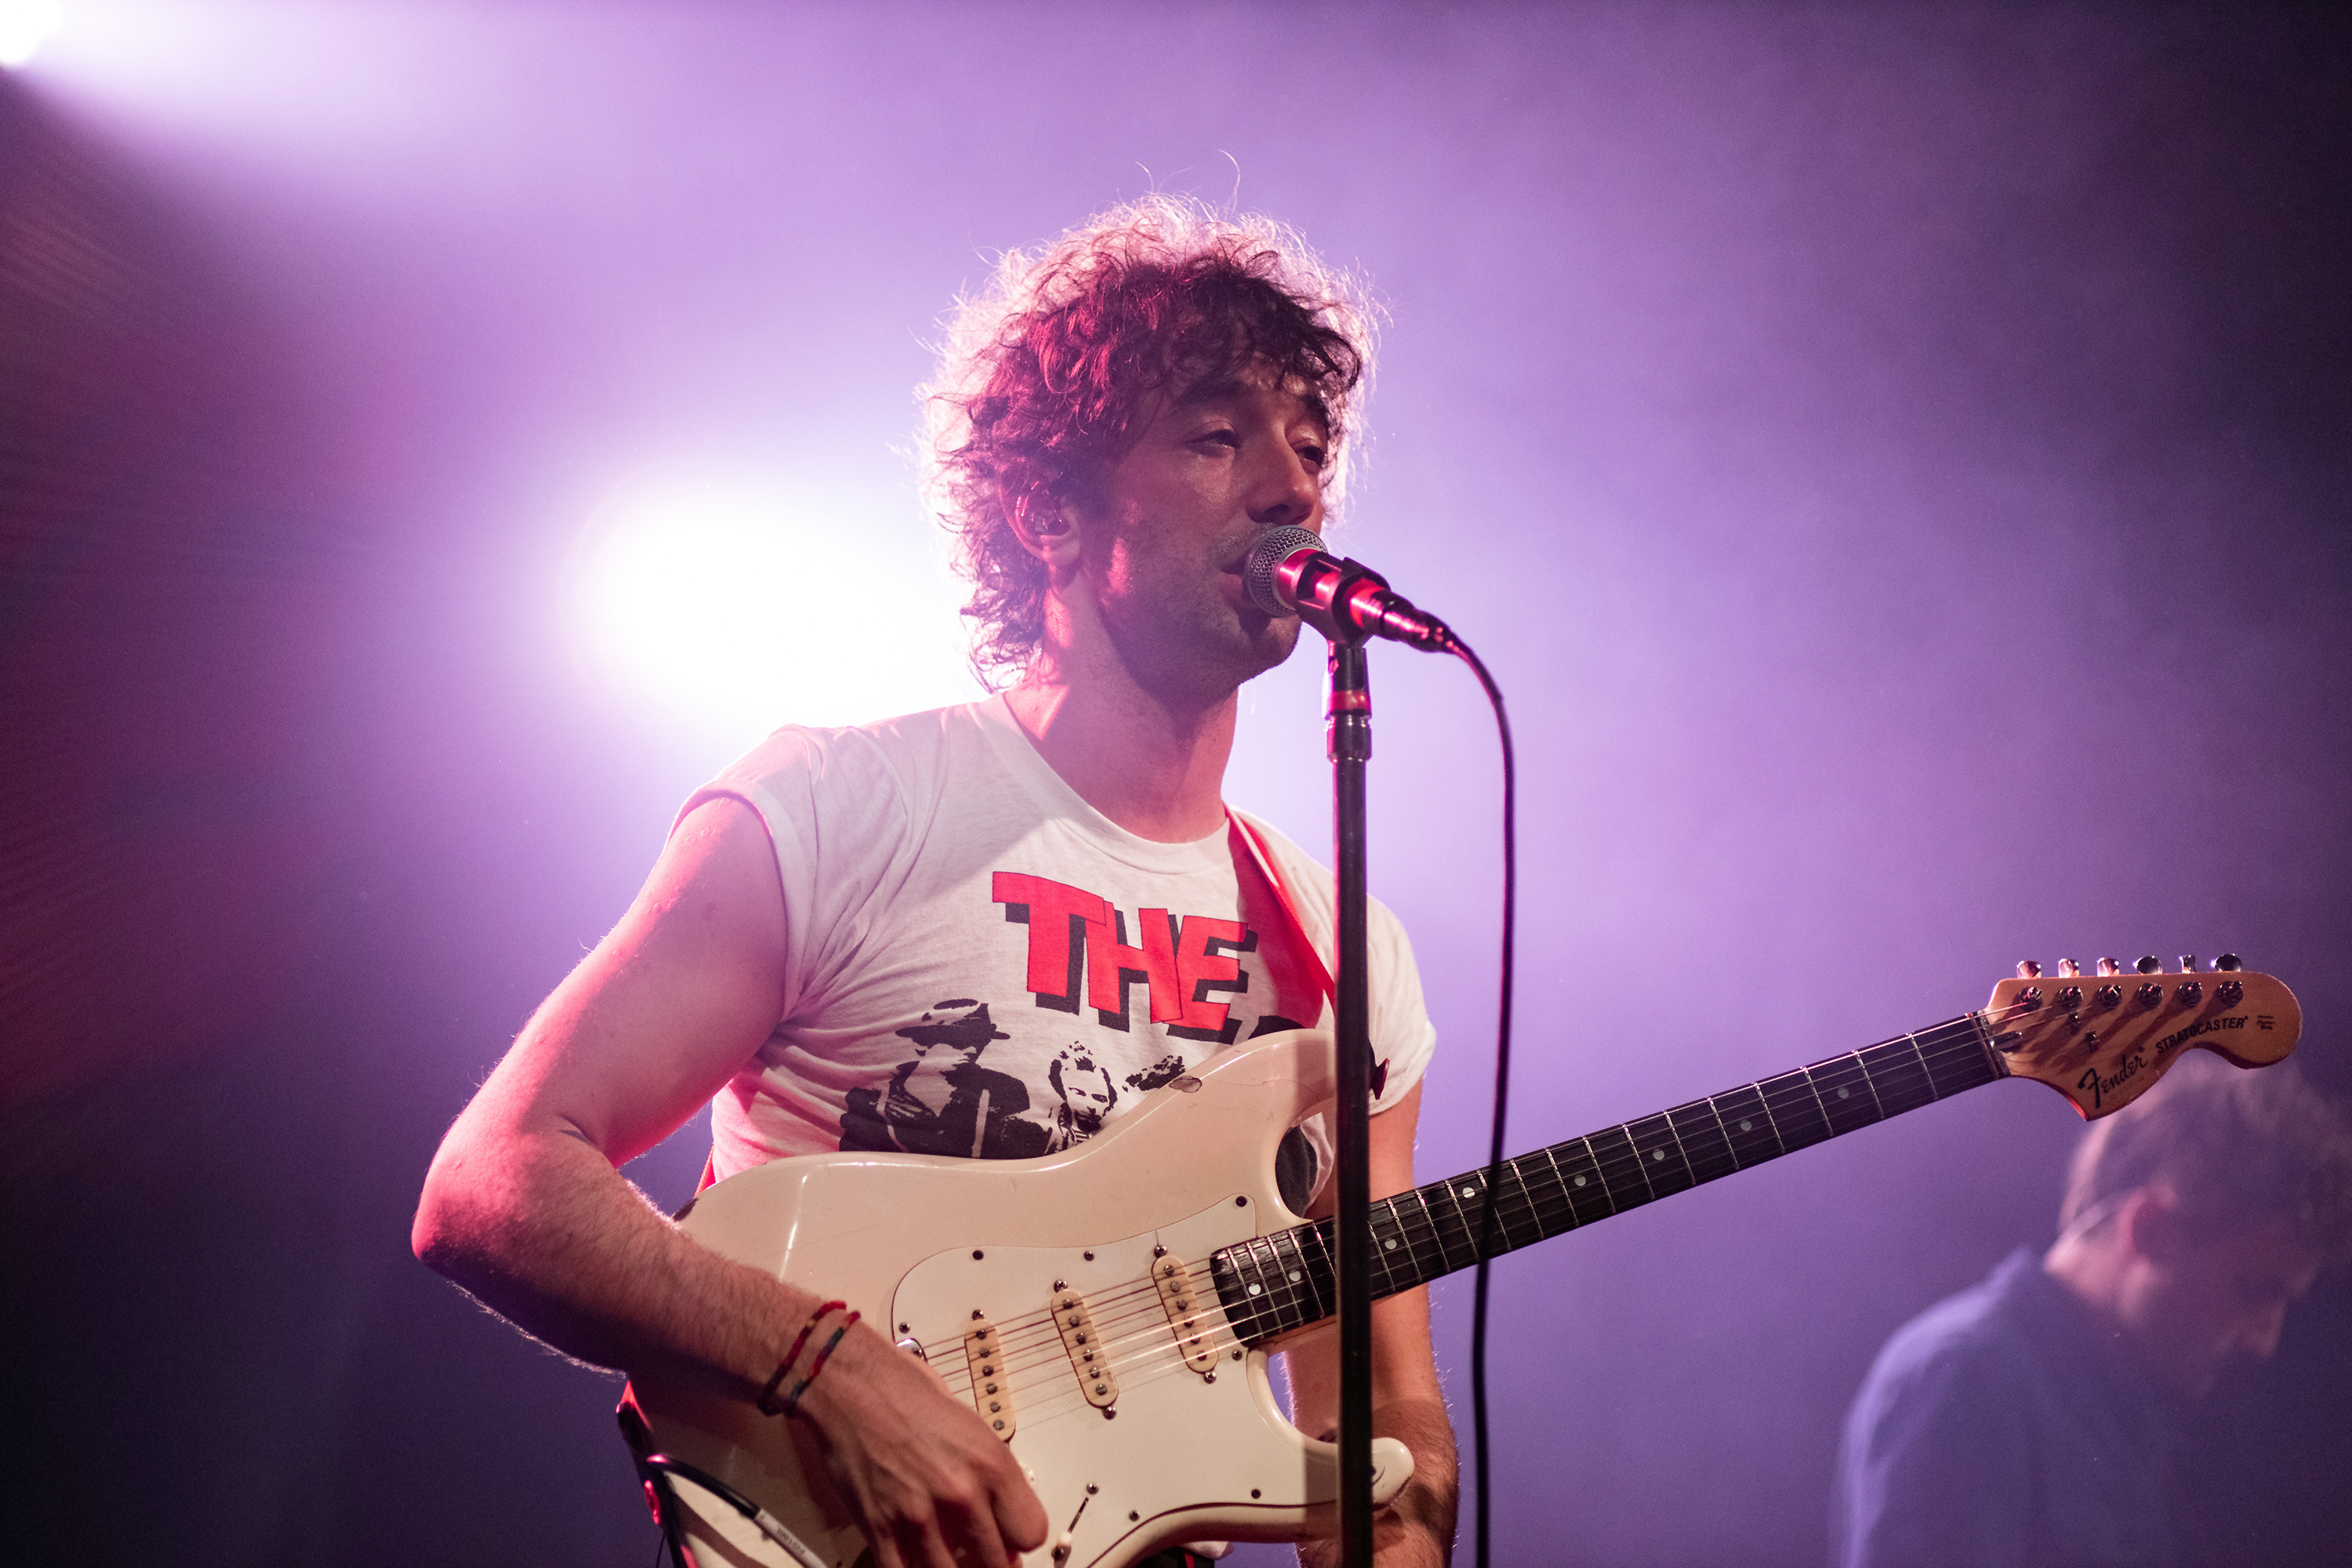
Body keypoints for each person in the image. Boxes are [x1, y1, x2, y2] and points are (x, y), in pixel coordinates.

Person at [411, 197, 1460, 1568]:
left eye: (1311, 448)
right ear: (1048, 510)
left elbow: (1378, 1407)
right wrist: (832, 1375)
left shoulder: (1341, 943)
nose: (1293, 488)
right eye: (1217, 437)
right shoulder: (844, 808)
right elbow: (495, 1182)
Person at [1832, 1051, 2352, 1568]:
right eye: (2253, 1291)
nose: (2263, 1342)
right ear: (2150, 1228)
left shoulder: (2109, 1409)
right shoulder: (1965, 1376)